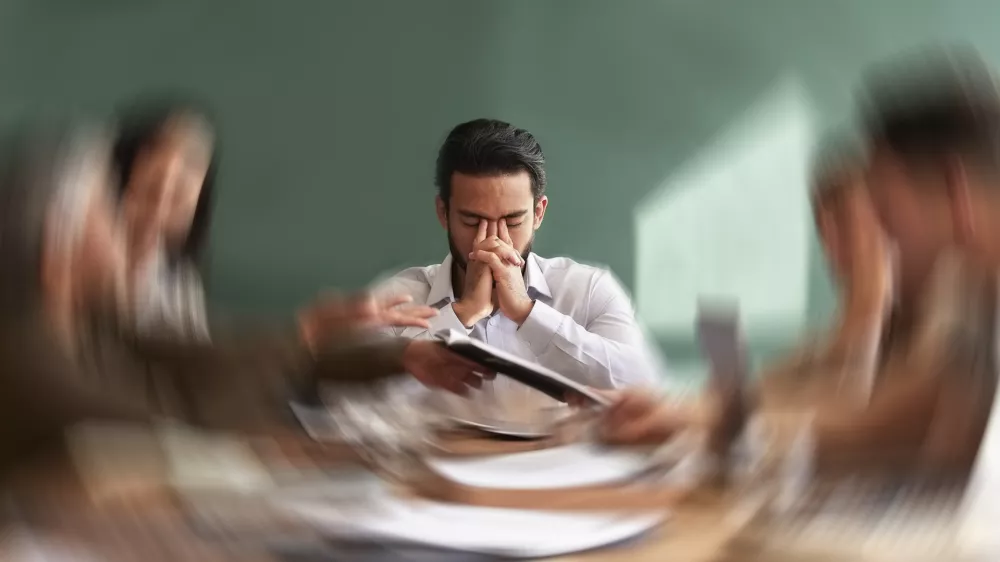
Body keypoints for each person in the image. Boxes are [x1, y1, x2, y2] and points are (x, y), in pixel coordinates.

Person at [595, 49, 1000, 478]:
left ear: (957, 196)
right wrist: (708, 417)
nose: (883, 239)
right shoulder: (973, 291)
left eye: (886, 210)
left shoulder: (956, 286)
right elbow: (901, 420)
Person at [0, 125, 490, 468]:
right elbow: (177, 425)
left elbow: (214, 356)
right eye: (106, 214)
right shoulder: (27, 358)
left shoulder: (100, 326)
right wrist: (304, 346)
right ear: (55, 251)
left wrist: (399, 356)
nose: (124, 225)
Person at [374, 118, 665, 424]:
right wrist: (463, 313)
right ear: (443, 213)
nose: (493, 240)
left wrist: (529, 313)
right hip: (438, 468)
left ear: (538, 213)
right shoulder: (399, 298)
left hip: (560, 467)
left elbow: (643, 384)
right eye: (473, 221)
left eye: (512, 221)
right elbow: (357, 405)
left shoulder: (589, 289)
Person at [111, 99, 425, 344]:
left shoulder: (175, 274)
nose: (171, 176)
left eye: (191, 165)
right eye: (156, 157)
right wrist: (304, 333)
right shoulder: (87, 266)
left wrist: (314, 335)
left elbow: (198, 357)